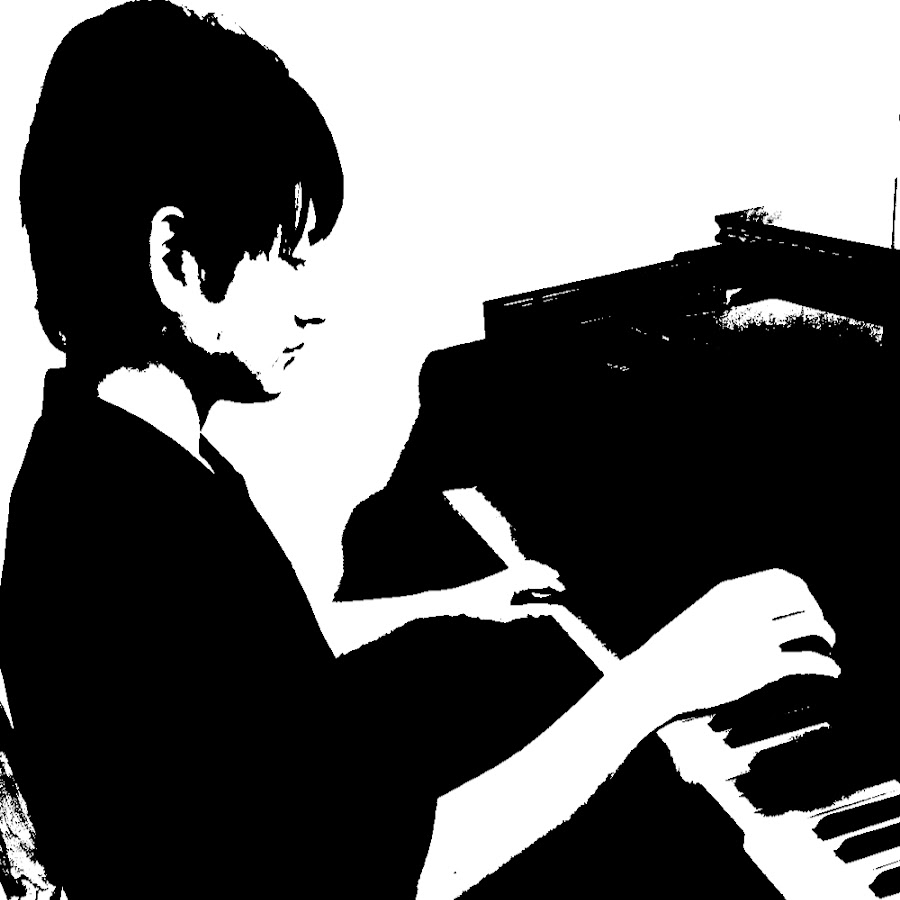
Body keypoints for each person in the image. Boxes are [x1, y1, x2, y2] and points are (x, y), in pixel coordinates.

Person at [0, 2, 841, 898]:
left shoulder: (107, 458)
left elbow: (243, 669)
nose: (316, 304)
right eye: (289, 257)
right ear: (174, 259)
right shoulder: (129, 531)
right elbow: (400, 870)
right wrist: (653, 685)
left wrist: (451, 602)